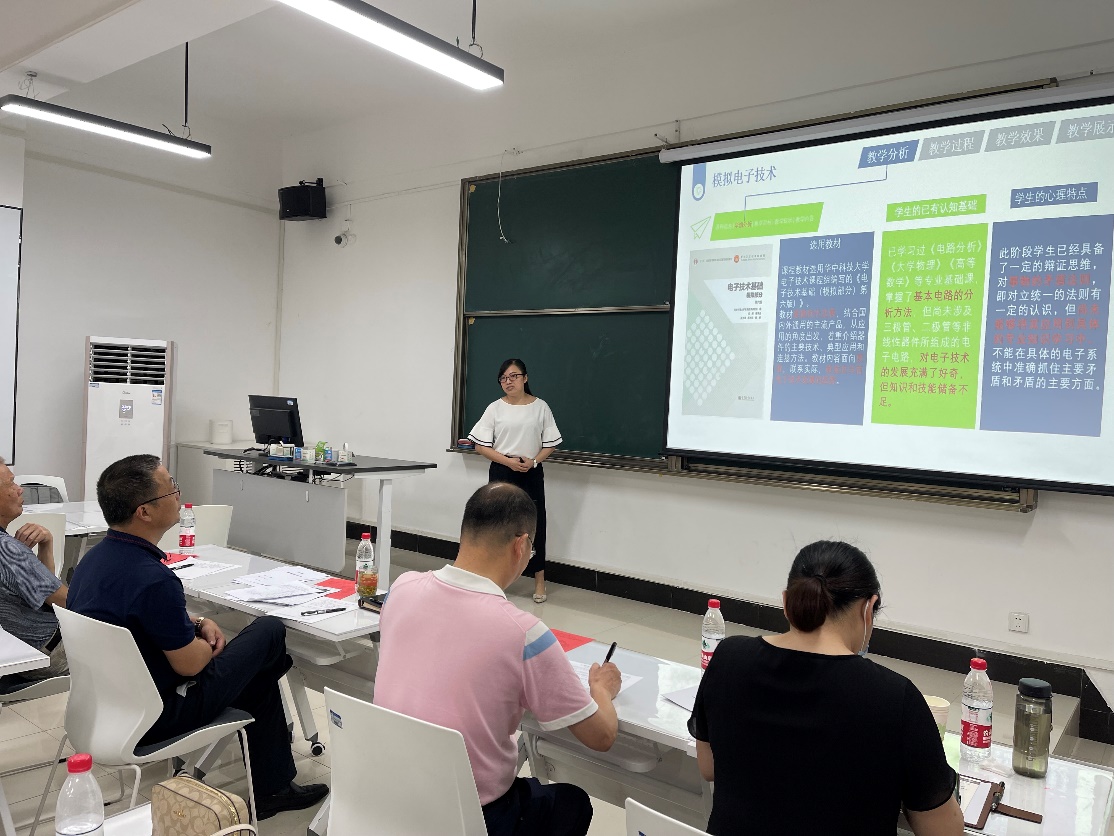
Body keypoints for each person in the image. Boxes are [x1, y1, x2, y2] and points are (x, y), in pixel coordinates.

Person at [66, 455, 328, 820]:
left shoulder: (93, 562)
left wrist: (196, 621)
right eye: (171, 489)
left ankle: (274, 787)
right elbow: (190, 665)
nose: (178, 495)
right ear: (144, 512)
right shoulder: (153, 579)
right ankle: (272, 787)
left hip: (103, 708)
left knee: (256, 673)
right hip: (159, 713)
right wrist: (206, 643)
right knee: (269, 631)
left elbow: (135, 617)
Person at [374, 482, 621, 836]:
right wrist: (602, 689)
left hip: (390, 798)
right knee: (572, 803)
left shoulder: (401, 588)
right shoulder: (522, 633)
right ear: (521, 546)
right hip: (471, 818)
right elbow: (602, 736)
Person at [689, 541, 963, 836]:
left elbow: (708, 767)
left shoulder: (729, 658)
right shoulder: (895, 697)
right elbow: (944, 832)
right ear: (868, 609)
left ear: (786, 602)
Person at [468, 358, 561, 603]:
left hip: (531, 471)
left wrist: (535, 461)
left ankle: (539, 581)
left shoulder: (540, 407)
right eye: (503, 378)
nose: (508, 382)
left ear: (525, 378)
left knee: (535, 525)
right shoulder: (494, 408)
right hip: (503, 470)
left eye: (514, 376)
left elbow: (550, 443)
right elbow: (480, 445)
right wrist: (507, 462)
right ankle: (494, 580)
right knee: (498, 524)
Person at [0, 459, 68, 679]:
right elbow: (67, 603)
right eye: (11, 484)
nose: (20, 489)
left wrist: (46, 544)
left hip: (17, 647)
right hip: (47, 652)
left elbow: (45, 589)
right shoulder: (9, 550)